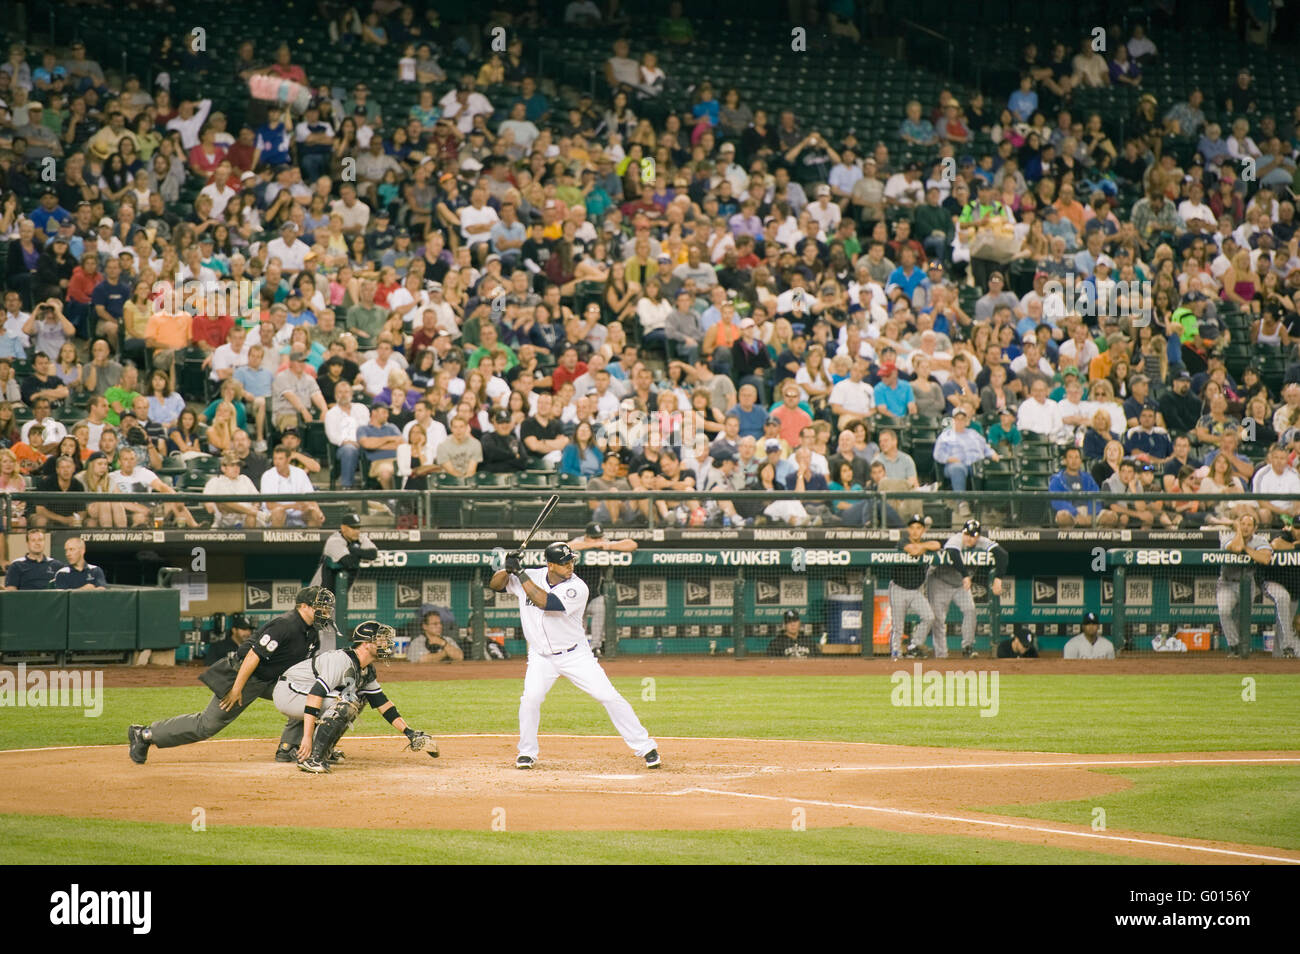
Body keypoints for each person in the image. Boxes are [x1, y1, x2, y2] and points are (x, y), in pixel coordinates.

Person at [488, 541, 660, 770]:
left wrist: (518, 572)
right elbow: (495, 585)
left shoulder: (578, 587)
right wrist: (507, 570)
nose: (570, 566)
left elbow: (546, 603)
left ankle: (646, 747)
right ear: (550, 565)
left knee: (608, 696)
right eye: (564, 563)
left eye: (571, 561)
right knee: (530, 700)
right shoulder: (530, 575)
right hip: (541, 657)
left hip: (574, 655)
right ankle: (527, 753)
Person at [127, 587, 334, 764]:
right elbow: (253, 656)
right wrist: (236, 689)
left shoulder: (311, 632)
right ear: (303, 607)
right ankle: (145, 734)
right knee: (206, 726)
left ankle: (289, 747)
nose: (325, 612)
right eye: (320, 607)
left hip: (272, 679)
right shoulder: (284, 625)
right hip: (246, 675)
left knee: (307, 696)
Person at [273, 619, 438, 772]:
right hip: (289, 691)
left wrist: (409, 732)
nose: (386, 643)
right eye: (380, 639)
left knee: (358, 698)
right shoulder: (341, 661)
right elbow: (314, 696)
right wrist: (307, 738)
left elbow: (382, 703)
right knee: (345, 703)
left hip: (303, 692)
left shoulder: (366, 669)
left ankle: (324, 751)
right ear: (366, 644)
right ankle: (312, 758)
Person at [924, 518, 1008, 658]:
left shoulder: (982, 542)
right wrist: (965, 575)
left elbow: (1003, 555)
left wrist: (998, 578)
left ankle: (968, 647)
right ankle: (941, 654)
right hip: (940, 581)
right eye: (967, 534)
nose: (969, 538)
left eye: (973, 535)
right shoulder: (956, 539)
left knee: (970, 611)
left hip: (959, 585)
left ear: (978, 536)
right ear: (963, 533)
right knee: (938, 619)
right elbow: (953, 553)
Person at [1216, 512, 1290, 659]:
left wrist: (1247, 550)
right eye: (1242, 524)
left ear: (1255, 528)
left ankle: (1243, 649)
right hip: (1227, 582)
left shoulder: (1259, 540)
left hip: (1247, 584)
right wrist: (1238, 532)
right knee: (1224, 612)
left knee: (1243, 617)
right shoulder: (1227, 537)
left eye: (1249, 525)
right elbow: (1236, 548)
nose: (1245, 527)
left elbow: (1265, 558)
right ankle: (1235, 646)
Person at [308, 513, 377, 651]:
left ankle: (325, 661)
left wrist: (353, 550)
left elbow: (373, 554)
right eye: (353, 528)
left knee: (330, 631)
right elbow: (349, 562)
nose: (357, 531)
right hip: (317, 596)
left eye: (358, 528)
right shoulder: (334, 541)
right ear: (343, 528)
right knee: (313, 630)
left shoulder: (360, 538)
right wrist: (357, 551)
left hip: (333, 597)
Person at [567, 522, 637, 654]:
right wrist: (594, 545)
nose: (598, 540)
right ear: (586, 536)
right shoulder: (579, 541)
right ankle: (577, 650)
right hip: (575, 598)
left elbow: (632, 544)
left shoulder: (605, 542)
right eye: (594, 538)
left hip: (594, 596)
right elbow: (568, 546)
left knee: (602, 606)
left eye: (599, 537)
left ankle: (595, 647)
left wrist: (609, 545)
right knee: (577, 630)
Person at [891, 514, 939, 659]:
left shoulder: (925, 542)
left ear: (923, 530)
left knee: (929, 617)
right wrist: (923, 548)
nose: (915, 531)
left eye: (918, 528)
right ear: (908, 529)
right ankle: (896, 652)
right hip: (899, 588)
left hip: (915, 591)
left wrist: (922, 546)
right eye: (912, 528)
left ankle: (914, 645)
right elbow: (913, 550)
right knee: (898, 625)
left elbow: (937, 545)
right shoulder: (902, 541)